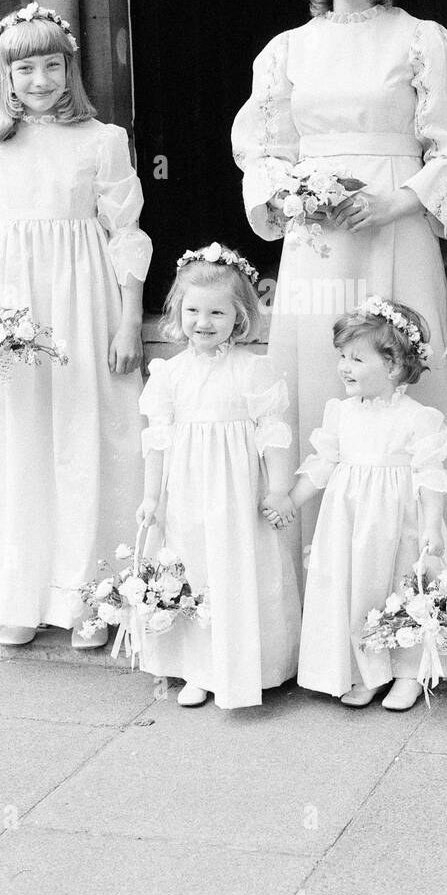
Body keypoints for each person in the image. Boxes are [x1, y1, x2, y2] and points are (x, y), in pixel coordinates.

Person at [231, 0, 447, 566]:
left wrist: (397, 201)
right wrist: (296, 195)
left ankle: (412, 581)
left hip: (395, 233)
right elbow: (263, 149)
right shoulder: (287, 50)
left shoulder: (421, 40)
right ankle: (314, 582)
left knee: (404, 381)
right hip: (318, 245)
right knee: (318, 377)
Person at [0, 2, 152, 647]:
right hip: (14, 302)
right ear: (2, 76)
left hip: (84, 302)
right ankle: (21, 593)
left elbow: (124, 231)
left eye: (51, 65)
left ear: (70, 69)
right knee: (23, 437)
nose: (39, 79)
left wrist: (128, 322)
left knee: (87, 435)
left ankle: (92, 594)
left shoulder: (102, 140)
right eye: (24, 67)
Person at [274, 299, 447, 713]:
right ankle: (367, 672)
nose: (344, 366)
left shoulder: (419, 418)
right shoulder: (341, 413)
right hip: (348, 524)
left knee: (400, 590)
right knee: (357, 593)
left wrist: (433, 527)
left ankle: (407, 673)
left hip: (398, 523)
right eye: (342, 357)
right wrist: (290, 502)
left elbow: (430, 477)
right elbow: (322, 465)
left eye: (357, 358)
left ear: (395, 366)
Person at [134, 244, 301, 708]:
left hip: (238, 493)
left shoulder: (253, 370)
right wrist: (152, 497)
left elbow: (273, 435)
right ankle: (198, 666)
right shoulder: (169, 374)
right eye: (192, 310)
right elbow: (158, 440)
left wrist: (279, 488)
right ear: (177, 311)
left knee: (240, 567)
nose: (202, 322)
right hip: (187, 493)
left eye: (216, 312)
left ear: (240, 316)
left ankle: (250, 663)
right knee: (195, 569)